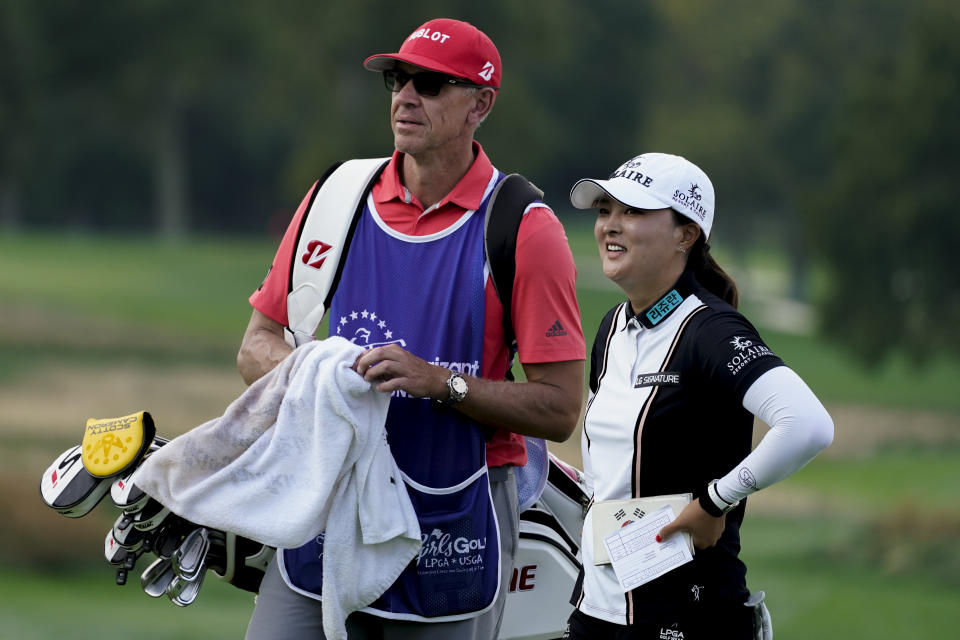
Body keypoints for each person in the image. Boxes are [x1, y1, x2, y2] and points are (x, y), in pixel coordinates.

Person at [237, 18, 586, 640]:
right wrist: (316, 370)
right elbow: (257, 347)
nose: (405, 96)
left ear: (481, 104)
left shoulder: (523, 227)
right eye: (398, 79)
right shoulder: (336, 195)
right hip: (330, 492)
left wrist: (437, 383)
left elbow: (560, 410)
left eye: (430, 83)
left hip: (460, 509)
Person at [563, 153, 833, 639]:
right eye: (605, 210)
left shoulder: (710, 330)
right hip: (596, 612)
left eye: (634, 212)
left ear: (685, 236)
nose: (610, 226)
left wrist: (715, 502)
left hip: (689, 616)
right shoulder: (611, 327)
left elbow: (808, 425)